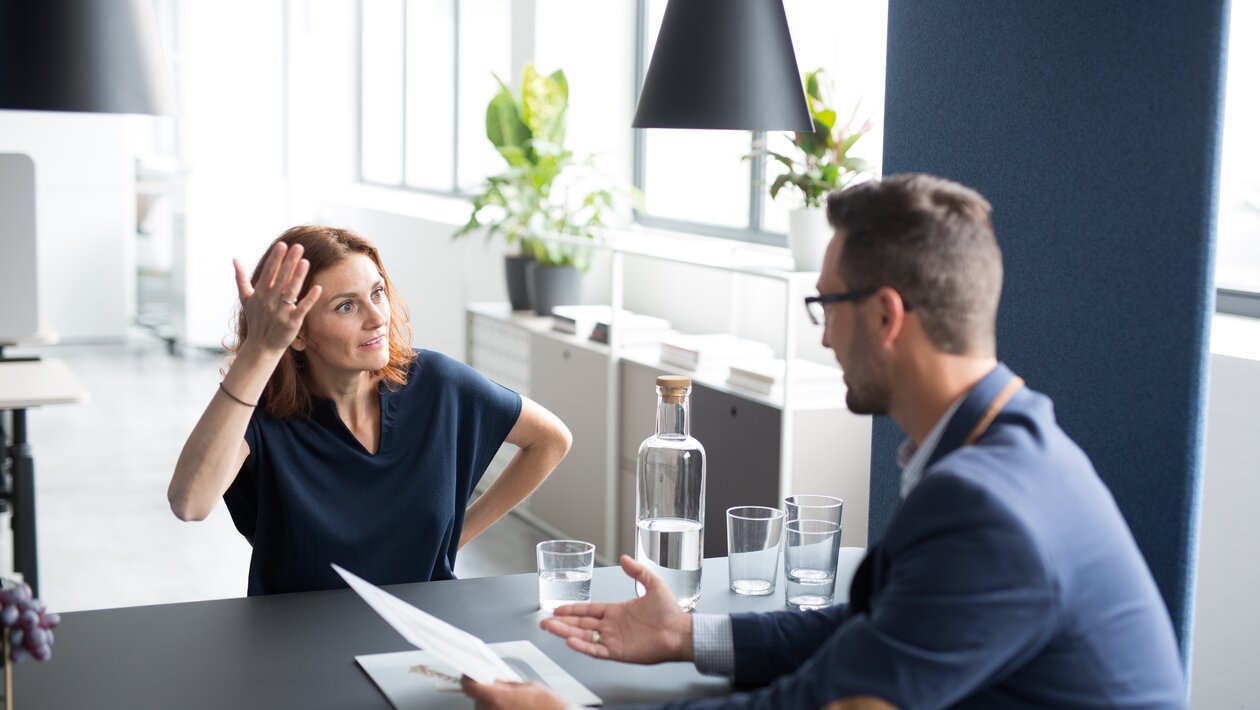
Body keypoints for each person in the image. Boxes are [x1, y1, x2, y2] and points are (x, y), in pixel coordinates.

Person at [461, 174, 1187, 709]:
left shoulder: (986, 506)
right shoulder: (1014, 442)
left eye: (826, 305)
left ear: (885, 316)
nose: (822, 333)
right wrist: (688, 636)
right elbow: (876, 628)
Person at [167, 225, 571, 595]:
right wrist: (260, 350)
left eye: (377, 293)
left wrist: (456, 535)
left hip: (423, 629)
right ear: (299, 334)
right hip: (295, 643)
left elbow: (551, 439)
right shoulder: (259, 412)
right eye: (347, 306)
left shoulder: (436, 384)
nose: (377, 317)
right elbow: (190, 503)